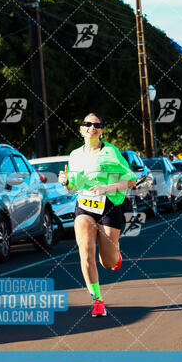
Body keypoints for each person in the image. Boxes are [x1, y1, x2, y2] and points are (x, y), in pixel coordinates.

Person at [58, 113, 137, 317]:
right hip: (84, 206)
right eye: (87, 124)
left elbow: (130, 181)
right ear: (82, 129)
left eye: (96, 125)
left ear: (101, 130)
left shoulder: (111, 152)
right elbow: (72, 188)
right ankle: (98, 300)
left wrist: (106, 187)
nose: (91, 127)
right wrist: (66, 182)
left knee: (108, 262)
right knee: (85, 252)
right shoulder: (75, 155)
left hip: (109, 204)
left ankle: (115, 255)